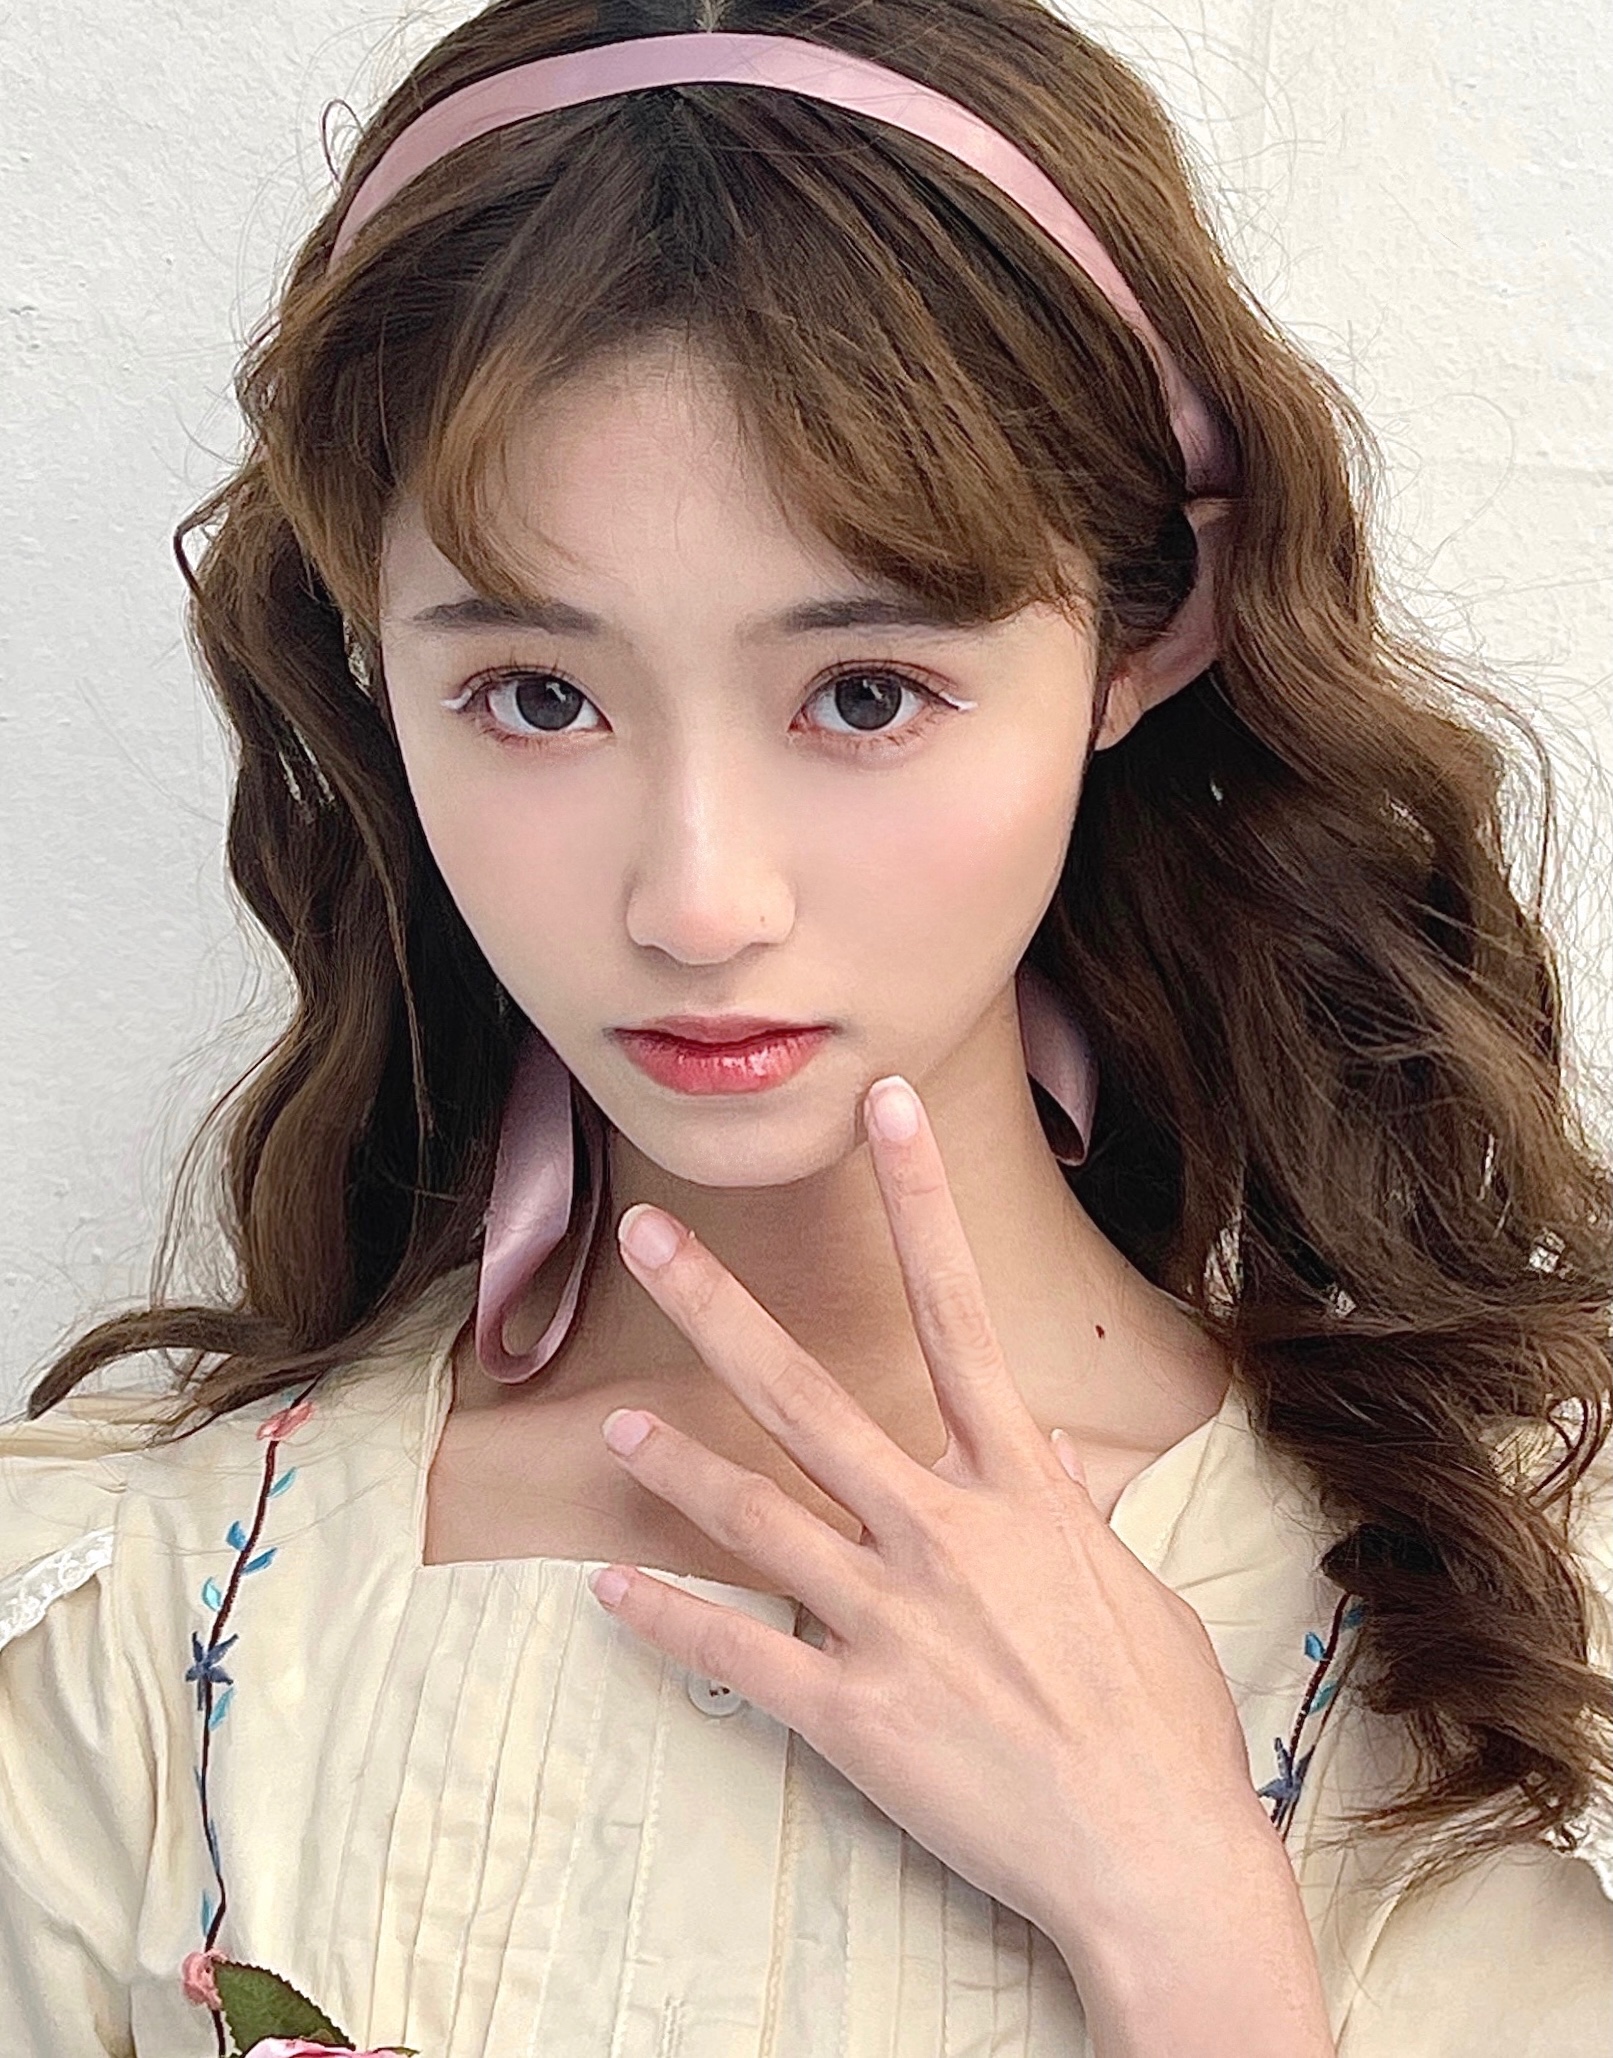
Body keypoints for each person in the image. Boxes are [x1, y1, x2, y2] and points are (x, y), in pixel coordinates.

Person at [2, 2, 1609, 2053]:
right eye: (538, 696)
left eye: (863, 693)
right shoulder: (147, 1623)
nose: (697, 898)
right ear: (370, 659)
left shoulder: (1499, 1616)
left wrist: (1183, 1914)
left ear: (1148, 629)